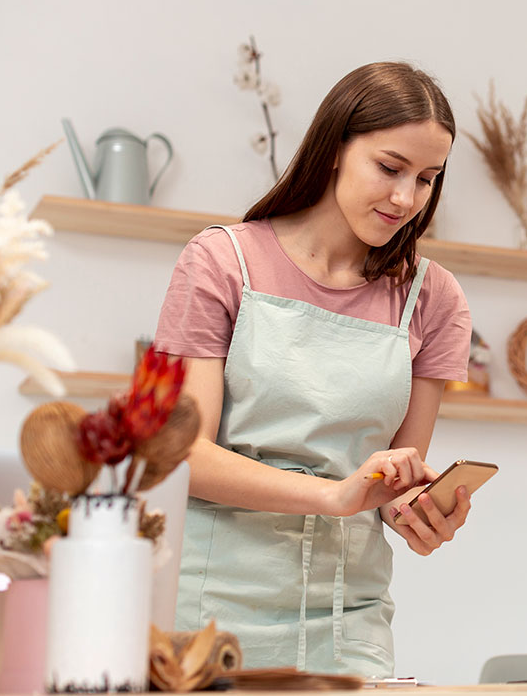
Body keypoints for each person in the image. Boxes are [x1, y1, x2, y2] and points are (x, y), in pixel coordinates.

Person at [153, 62, 473, 677]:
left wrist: (420, 512)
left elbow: (391, 486)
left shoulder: (434, 299)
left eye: (428, 179)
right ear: (334, 149)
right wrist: (335, 496)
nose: (406, 198)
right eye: (389, 167)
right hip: (209, 611)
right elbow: (183, 454)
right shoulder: (223, 262)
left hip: (350, 616)